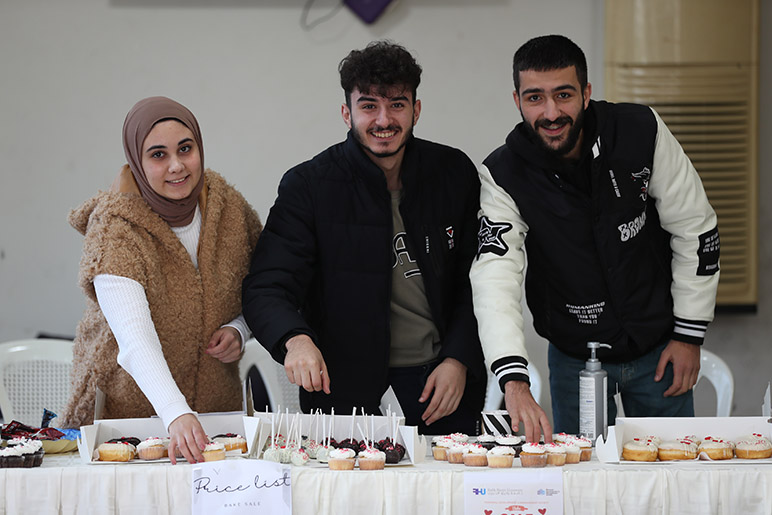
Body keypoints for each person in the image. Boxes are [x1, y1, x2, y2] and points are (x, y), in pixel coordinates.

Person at [470, 35, 720, 443]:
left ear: (586, 93)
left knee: (673, 481)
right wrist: (512, 378)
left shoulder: (641, 131)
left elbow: (695, 228)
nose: (551, 113)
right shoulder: (502, 174)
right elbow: (494, 277)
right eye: (535, 98)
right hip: (572, 358)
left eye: (563, 95)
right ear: (516, 100)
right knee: (580, 485)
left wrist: (689, 335)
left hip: (660, 351)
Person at [242, 41, 486, 434]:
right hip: (343, 390)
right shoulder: (309, 186)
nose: (383, 119)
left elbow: (479, 280)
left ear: (416, 110)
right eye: (369, 105)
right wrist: (295, 339)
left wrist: (459, 359)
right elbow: (266, 286)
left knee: (446, 494)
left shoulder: (453, 173)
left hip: (441, 385)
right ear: (346, 112)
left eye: (397, 104)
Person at [61, 96, 262, 464]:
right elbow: (134, 338)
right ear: (137, 161)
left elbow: (264, 289)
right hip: (129, 429)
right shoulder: (115, 229)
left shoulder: (228, 207)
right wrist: (175, 412)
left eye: (186, 149)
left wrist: (239, 329)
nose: (176, 166)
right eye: (157, 155)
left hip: (218, 420)